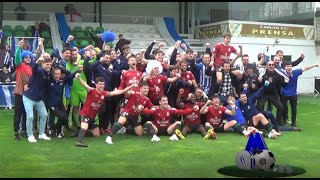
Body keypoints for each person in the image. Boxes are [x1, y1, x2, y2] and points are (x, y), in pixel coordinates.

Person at [75, 74, 137, 147]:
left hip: (92, 117)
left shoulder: (104, 93)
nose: (102, 86)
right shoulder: (91, 90)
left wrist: (131, 86)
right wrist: (79, 79)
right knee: (84, 127)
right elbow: (85, 85)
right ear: (96, 85)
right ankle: (79, 141)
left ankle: (78, 132)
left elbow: (121, 91)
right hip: (85, 114)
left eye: (103, 84)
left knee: (97, 134)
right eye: (100, 84)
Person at [23, 57, 52, 143]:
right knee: (30, 117)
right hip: (28, 98)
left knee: (44, 114)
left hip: (38, 99)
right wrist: (36, 62)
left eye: (50, 65)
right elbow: (34, 68)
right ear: (42, 64)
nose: (49, 66)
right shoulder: (38, 70)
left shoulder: (48, 74)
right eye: (47, 64)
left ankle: (41, 133)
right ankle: (30, 135)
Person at [281, 62, 319, 127]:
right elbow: (273, 69)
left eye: (290, 66)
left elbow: (305, 68)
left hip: (293, 94)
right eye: (287, 66)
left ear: (291, 67)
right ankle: (284, 121)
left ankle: (293, 122)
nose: (289, 67)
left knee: (294, 109)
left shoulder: (296, 72)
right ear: (285, 67)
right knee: (283, 108)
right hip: (284, 94)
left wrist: (314, 65)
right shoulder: (281, 73)